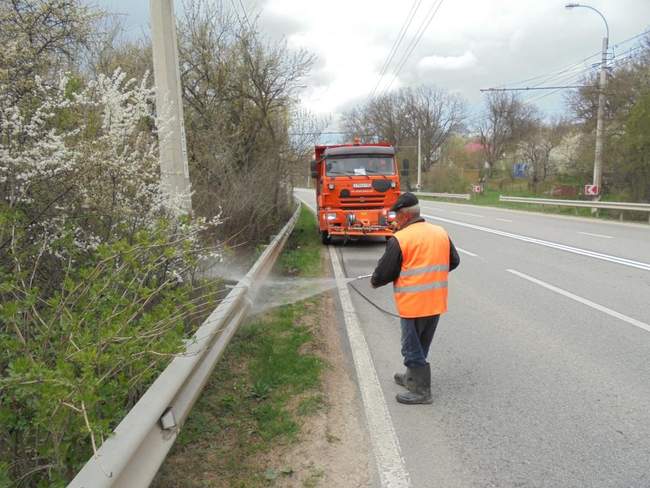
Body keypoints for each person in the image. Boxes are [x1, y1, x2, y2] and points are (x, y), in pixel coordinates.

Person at [371, 192, 460, 405]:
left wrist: (375, 281)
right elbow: (454, 261)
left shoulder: (401, 239)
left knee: (411, 348)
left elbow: (383, 273)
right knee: (421, 344)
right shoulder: (440, 232)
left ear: (404, 216)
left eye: (396, 216)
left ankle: (421, 392)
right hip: (436, 301)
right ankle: (412, 377)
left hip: (413, 304)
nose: (394, 220)